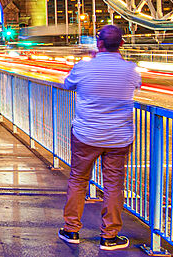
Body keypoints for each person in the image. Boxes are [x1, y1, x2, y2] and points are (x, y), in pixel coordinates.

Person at [58, 24, 141, 251]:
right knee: (114, 185)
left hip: (86, 135)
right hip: (119, 137)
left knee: (78, 179)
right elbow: (137, 86)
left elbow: (65, 84)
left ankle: (71, 229)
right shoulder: (131, 69)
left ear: (99, 43)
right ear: (122, 44)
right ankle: (109, 236)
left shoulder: (83, 68)